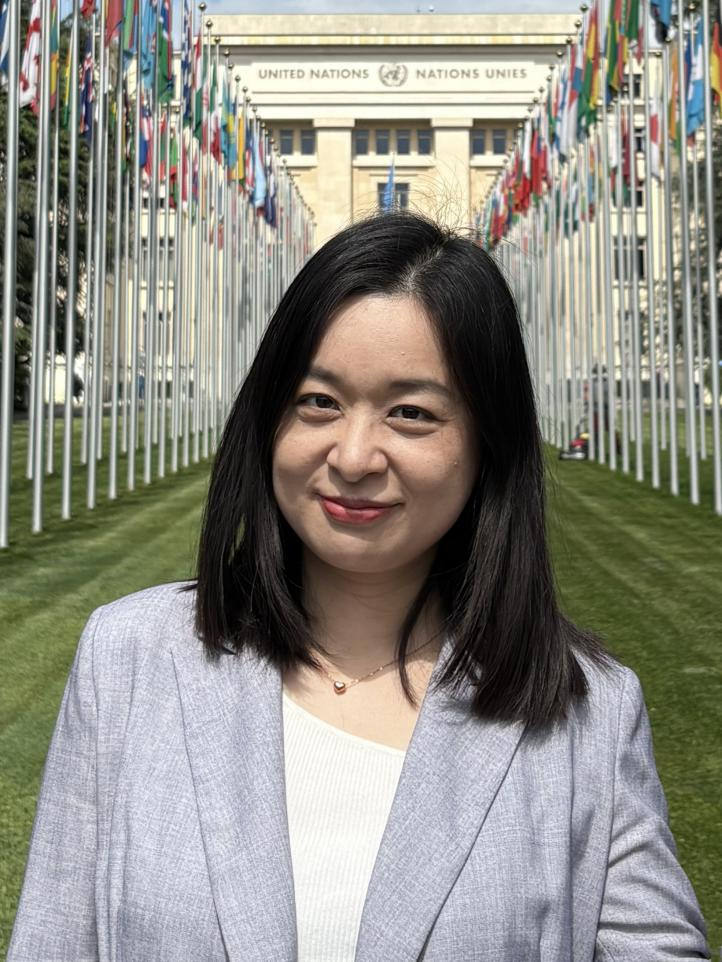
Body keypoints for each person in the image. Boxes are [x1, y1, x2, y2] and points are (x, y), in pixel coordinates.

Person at [7, 210, 710, 962]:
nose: (352, 456)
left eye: (411, 413)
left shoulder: (589, 712)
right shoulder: (128, 657)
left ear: (488, 443)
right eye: (319, 402)